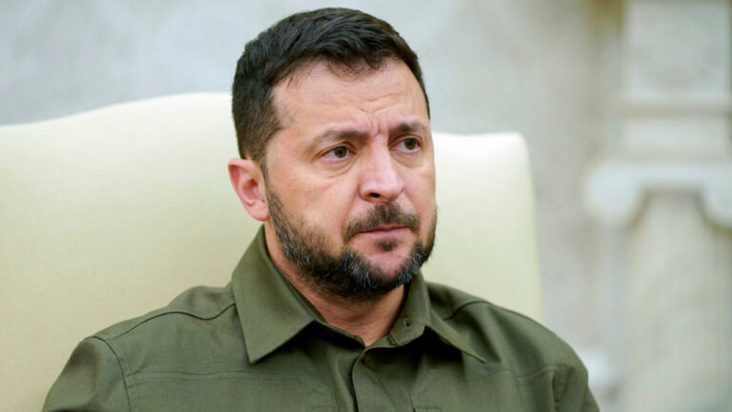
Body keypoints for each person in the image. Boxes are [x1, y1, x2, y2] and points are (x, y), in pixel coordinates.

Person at [43, 7, 598, 411]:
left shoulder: (539, 376)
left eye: (408, 143)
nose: (387, 184)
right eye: (339, 151)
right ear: (253, 189)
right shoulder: (129, 384)